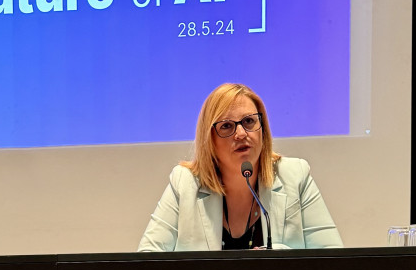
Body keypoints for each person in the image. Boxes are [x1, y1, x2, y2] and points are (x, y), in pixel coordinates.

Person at [138, 82, 342, 251]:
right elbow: (147, 261)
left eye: (249, 121)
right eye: (227, 126)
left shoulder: (295, 176)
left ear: (263, 129)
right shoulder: (185, 183)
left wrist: (277, 258)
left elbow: (332, 259)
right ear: (209, 140)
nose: (241, 134)